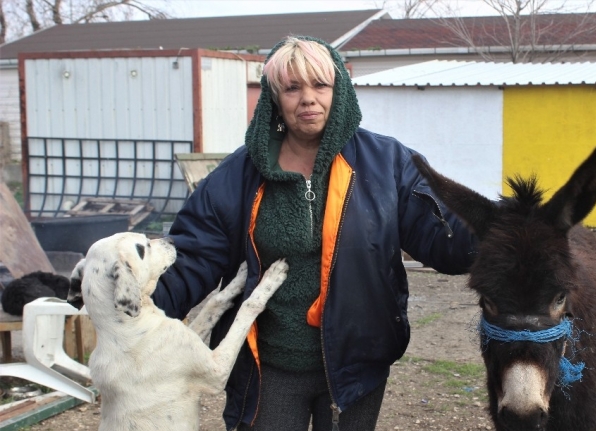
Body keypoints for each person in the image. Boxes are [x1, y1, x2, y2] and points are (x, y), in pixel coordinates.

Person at [153, 35, 479, 431]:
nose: (308, 98)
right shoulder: (237, 176)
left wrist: (502, 236)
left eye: (320, 85)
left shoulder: (387, 163)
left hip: (356, 364)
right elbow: (194, 256)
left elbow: (441, 237)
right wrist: (133, 302)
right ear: (275, 97)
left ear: (338, 90)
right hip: (268, 367)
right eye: (293, 88)